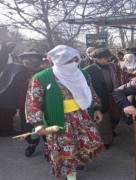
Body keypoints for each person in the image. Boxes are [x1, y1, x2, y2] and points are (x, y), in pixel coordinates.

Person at [25, 45, 104, 180]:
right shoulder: (42, 77)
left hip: (81, 116)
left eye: (76, 60)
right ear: (59, 61)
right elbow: (33, 101)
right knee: (65, 146)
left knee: (81, 142)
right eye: (69, 61)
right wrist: (37, 123)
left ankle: (77, 161)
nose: (74, 64)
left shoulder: (83, 74)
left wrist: (96, 108)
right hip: (59, 119)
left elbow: (90, 92)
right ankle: (70, 173)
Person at [84, 48, 124, 149]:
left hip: (115, 95)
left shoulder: (114, 67)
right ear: (97, 59)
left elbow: (122, 78)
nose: (108, 59)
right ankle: (106, 140)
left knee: (116, 116)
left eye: (109, 57)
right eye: (106, 57)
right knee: (103, 120)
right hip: (100, 98)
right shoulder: (88, 71)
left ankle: (111, 130)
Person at [0, 49, 42, 137]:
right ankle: (6, 130)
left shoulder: (13, 66)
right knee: (7, 115)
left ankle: (9, 129)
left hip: (13, 97)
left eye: (34, 59)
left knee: (9, 115)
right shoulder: (18, 69)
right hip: (9, 97)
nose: (32, 62)